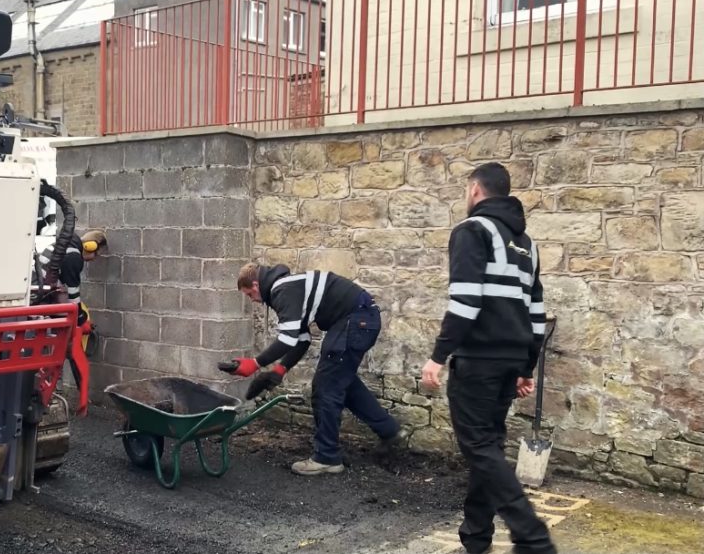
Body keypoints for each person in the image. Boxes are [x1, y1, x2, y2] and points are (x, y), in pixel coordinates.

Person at [420, 162, 556, 554]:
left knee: (479, 447)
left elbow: (465, 301)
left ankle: (532, 537)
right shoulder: (527, 244)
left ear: (476, 190)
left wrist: (437, 356)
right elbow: (536, 312)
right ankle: (476, 539)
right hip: (510, 359)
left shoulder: (472, 231)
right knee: (488, 449)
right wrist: (526, 366)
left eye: (467, 191)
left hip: (477, 360)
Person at [220, 263, 401, 476]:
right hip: (360, 319)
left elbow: (286, 340)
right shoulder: (290, 288)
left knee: (325, 388)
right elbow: (302, 340)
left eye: (250, 294)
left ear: (256, 284)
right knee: (342, 381)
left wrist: (255, 363)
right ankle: (390, 430)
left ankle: (327, 457)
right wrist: (280, 370)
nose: (253, 300)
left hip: (355, 321)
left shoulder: (282, 290)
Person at [35, 229, 107, 327]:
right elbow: (73, 290)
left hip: (39, 290)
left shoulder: (66, 246)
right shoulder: (73, 256)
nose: (94, 259)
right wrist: (79, 315)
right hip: (38, 295)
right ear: (89, 247)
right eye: (96, 254)